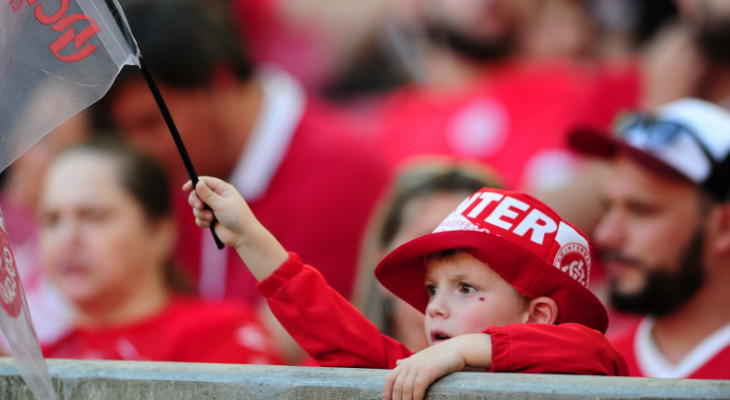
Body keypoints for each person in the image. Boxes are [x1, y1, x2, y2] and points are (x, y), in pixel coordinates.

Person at [102, 0, 389, 363]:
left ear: (219, 83)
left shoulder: (341, 172)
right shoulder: (179, 170)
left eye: (150, 124)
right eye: (126, 130)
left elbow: (286, 346)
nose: (139, 148)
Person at [184, 176, 627, 400]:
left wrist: (466, 349)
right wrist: (248, 237)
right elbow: (330, 325)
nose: (434, 307)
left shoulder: (583, 367)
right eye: (433, 289)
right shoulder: (416, 371)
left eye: (467, 288)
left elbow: (594, 352)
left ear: (540, 317)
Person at [39, 138, 282, 364]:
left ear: (160, 231)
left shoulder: (222, 335)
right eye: (52, 220)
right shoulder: (37, 363)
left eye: (94, 216)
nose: (67, 239)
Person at [569, 98, 730, 379]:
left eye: (641, 210)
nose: (606, 235)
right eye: (608, 207)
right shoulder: (588, 369)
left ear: (725, 227)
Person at [353, 156, 503, 352]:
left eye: (472, 246)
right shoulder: (323, 375)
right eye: (428, 243)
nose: (451, 261)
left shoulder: (544, 369)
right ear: (380, 265)